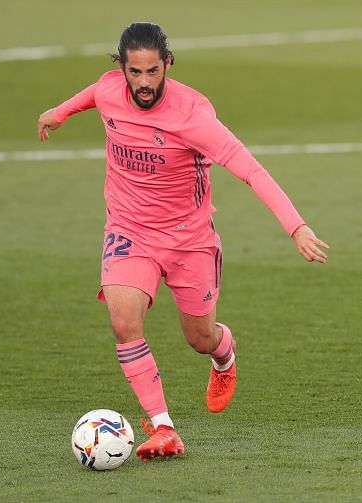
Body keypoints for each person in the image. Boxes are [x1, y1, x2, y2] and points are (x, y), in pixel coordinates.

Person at [37, 22, 329, 459]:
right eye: (134, 73)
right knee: (123, 322)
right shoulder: (109, 89)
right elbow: (93, 95)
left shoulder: (192, 117)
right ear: (122, 68)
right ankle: (164, 427)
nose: (144, 83)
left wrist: (297, 226)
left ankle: (224, 354)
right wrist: (58, 113)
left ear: (167, 64)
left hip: (189, 240)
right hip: (128, 231)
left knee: (199, 337)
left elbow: (251, 170)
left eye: (153, 72)